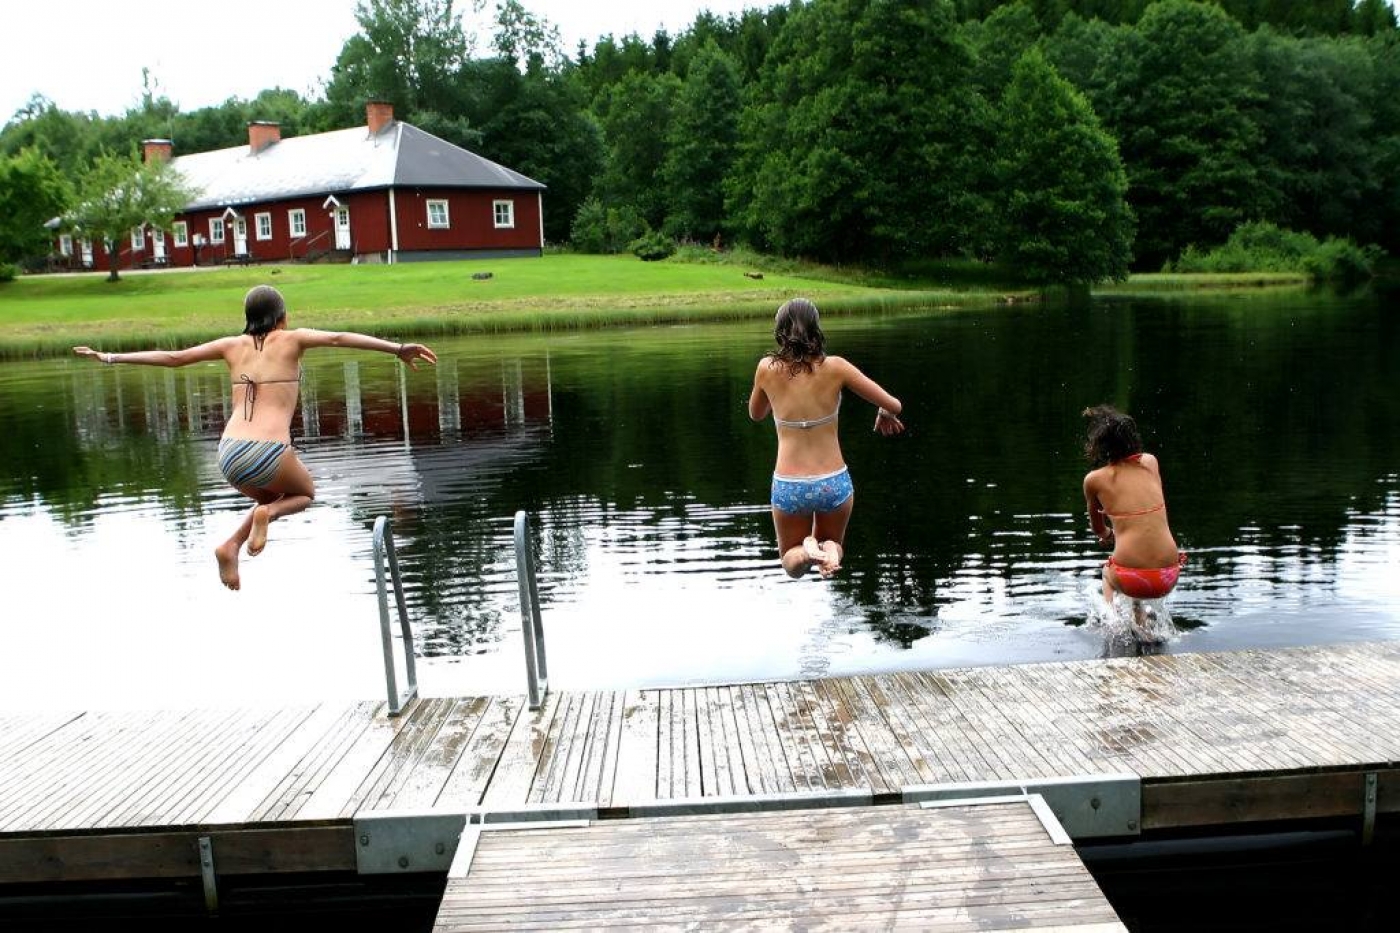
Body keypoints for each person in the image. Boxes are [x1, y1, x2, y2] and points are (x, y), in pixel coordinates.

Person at [74, 285, 437, 591]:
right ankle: (265, 514)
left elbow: (174, 357)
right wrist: (397, 348)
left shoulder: (232, 345)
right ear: (283, 316)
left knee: (275, 497)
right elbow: (340, 338)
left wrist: (107, 356)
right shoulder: (293, 339)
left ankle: (230, 546)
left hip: (230, 455)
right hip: (268, 452)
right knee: (304, 494)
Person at [748, 298, 904, 578]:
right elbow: (894, 404)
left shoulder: (766, 368)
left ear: (780, 332)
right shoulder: (836, 367)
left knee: (790, 561)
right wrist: (884, 411)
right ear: (816, 329)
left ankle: (807, 553)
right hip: (832, 482)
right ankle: (829, 549)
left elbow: (756, 414)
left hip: (789, 484)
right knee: (836, 543)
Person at [1082, 404, 1185, 630]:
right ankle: (1143, 628)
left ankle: (1112, 625)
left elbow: (1098, 529)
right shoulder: (1150, 463)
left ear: (1100, 447)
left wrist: (1107, 534)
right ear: (1132, 440)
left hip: (1130, 579)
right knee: (1135, 563)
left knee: (1108, 572)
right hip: (1169, 575)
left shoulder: (1094, 479)